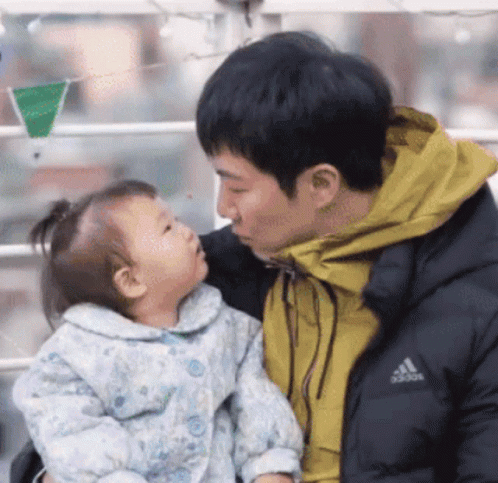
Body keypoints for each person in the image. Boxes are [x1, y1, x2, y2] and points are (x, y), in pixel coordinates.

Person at [11, 29, 498, 483]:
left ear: (321, 184)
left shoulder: (473, 297)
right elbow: (60, 428)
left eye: (237, 187)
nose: (223, 209)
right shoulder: (207, 276)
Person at [12, 179, 303, 483]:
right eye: (168, 228)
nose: (188, 232)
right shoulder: (74, 355)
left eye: (176, 221)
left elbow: (258, 404)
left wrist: (270, 467)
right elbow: (73, 435)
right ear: (130, 281)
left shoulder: (230, 329)